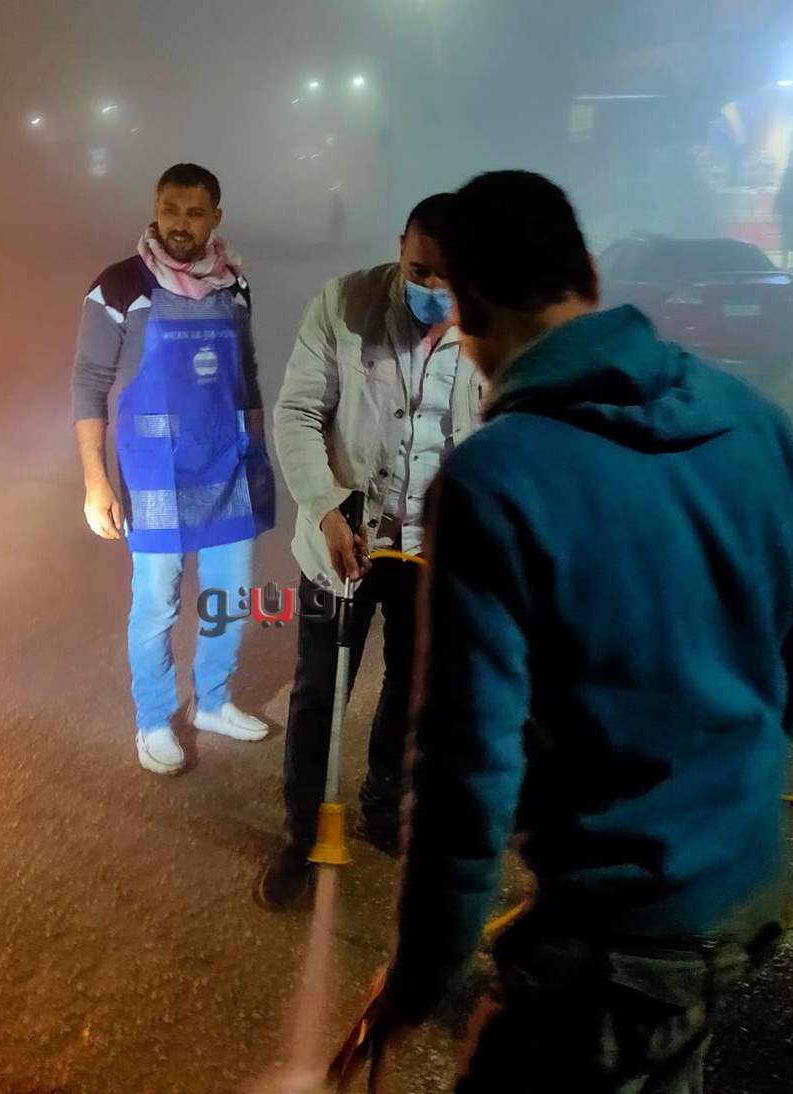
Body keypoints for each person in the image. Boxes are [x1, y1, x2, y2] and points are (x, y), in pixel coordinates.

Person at [363, 171, 793, 1091]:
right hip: (746, 889)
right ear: (586, 271)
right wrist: (721, 796)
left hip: (621, 940)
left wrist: (419, 979)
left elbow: (465, 769)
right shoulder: (750, 419)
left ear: (467, 307)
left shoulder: (497, 479)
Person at [256, 193, 485, 909]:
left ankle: (385, 810)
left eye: (451, 276)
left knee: (413, 693)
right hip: (345, 541)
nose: (434, 289)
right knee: (319, 691)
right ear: (399, 248)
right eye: (420, 271)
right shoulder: (344, 305)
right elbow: (298, 411)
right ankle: (303, 833)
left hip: (436, 552)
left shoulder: (492, 326)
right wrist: (325, 508)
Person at [71, 163, 276, 775]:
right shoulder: (119, 286)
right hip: (154, 472)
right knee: (157, 603)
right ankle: (155, 720)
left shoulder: (233, 284)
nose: (179, 225)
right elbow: (89, 382)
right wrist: (95, 480)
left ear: (215, 217)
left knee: (229, 596)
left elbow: (247, 374)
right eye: (169, 210)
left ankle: (213, 702)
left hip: (226, 461)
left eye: (193, 213)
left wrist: (258, 451)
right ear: (154, 211)